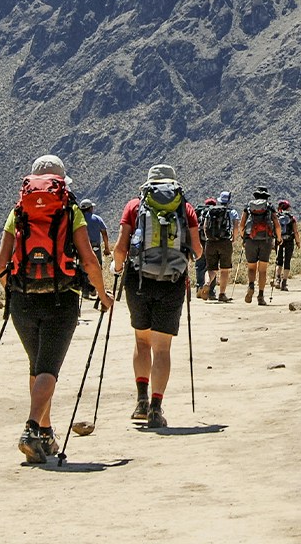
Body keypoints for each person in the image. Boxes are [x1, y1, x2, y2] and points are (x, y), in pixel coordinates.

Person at [0, 154, 113, 463]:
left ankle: (45, 434)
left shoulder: (18, 211)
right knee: (49, 368)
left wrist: (13, 291)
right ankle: (32, 429)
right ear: (62, 181)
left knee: (37, 366)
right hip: (61, 298)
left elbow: (0, 263)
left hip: (22, 300)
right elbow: (89, 260)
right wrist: (102, 294)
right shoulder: (70, 211)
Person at [112, 163, 202, 429]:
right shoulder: (185, 208)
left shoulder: (134, 206)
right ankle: (156, 407)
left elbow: (120, 249)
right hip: (172, 283)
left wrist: (117, 270)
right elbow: (197, 250)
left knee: (142, 341)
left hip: (139, 280)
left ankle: (140, 402)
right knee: (162, 348)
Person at [239, 187, 279, 304]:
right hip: (266, 240)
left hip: (251, 239)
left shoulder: (248, 207)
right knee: (262, 270)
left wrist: (244, 237)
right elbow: (277, 224)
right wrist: (279, 238)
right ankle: (260, 296)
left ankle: (251, 285)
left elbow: (242, 225)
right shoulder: (270, 207)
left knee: (251, 267)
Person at [199, 190, 236, 302]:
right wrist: (233, 238)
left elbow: (205, 226)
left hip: (210, 242)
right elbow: (236, 227)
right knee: (224, 270)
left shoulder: (210, 211)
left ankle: (207, 283)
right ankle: (222, 294)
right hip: (225, 242)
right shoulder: (232, 212)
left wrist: (208, 238)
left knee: (211, 268)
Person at [275, 199, 299, 291]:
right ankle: (284, 283)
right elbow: (296, 232)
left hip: (279, 240)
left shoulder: (276, 217)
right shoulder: (291, 218)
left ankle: (277, 280)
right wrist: (298, 242)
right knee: (287, 261)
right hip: (289, 240)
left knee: (279, 260)